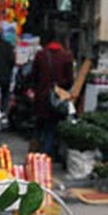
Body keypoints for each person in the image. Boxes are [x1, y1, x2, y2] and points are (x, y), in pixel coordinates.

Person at [29, 26, 74, 157]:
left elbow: (33, 76)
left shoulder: (41, 55)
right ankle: (45, 156)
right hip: (56, 99)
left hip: (41, 97)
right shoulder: (67, 56)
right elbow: (69, 81)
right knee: (51, 128)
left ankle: (32, 155)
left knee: (38, 127)